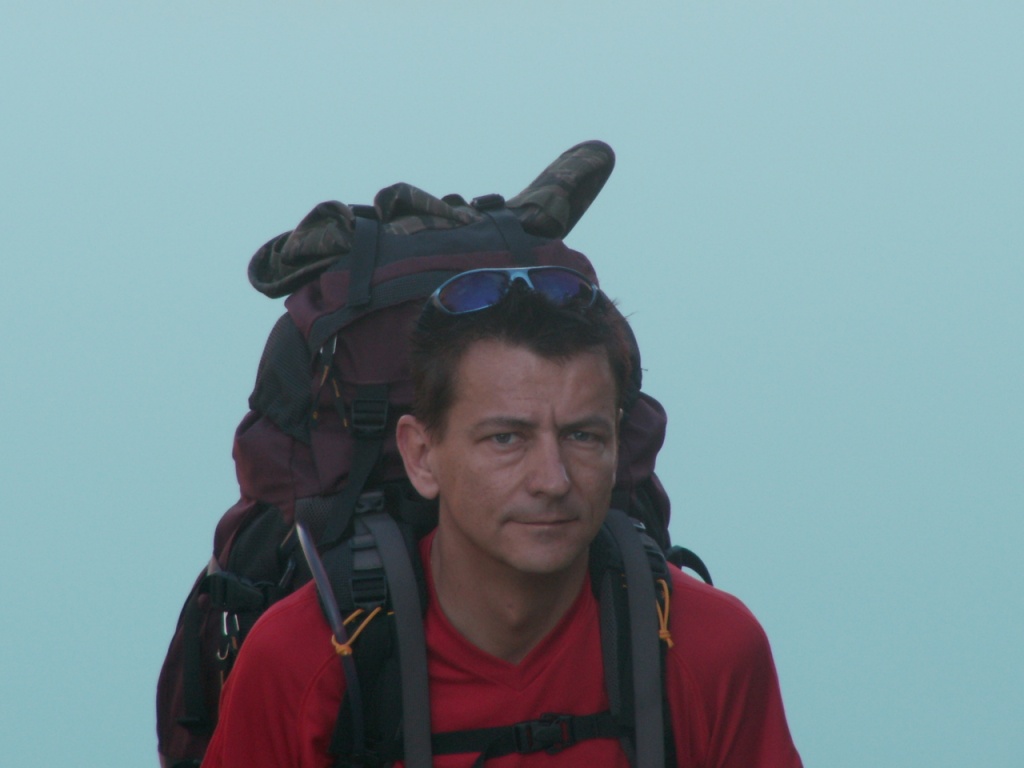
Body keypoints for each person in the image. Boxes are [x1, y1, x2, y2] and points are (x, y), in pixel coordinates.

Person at [201, 266, 802, 767]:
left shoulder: (709, 649)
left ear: (620, 444)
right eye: (506, 439)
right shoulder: (304, 663)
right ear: (421, 455)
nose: (553, 480)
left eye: (584, 436)